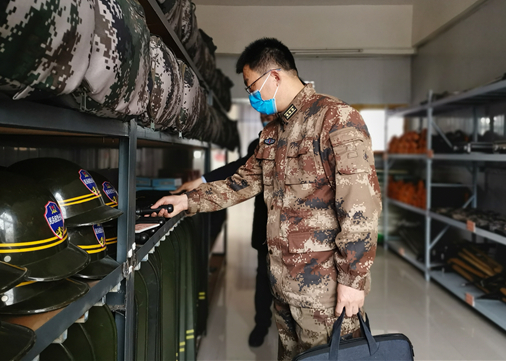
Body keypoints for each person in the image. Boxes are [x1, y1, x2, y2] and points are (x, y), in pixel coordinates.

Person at [151, 38, 382, 361]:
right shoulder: (273, 133)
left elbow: (361, 207)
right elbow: (241, 182)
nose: (251, 96)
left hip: (324, 295)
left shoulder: (335, 119)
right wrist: (189, 201)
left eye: (251, 87)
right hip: (283, 287)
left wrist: (353, 281)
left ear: (274, 76)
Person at [172, 113, 276, 348]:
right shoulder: (259, 143)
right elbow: (240, 170)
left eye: (269, 113)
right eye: (261, 114)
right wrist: (203, 181)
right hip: (266, 228)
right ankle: (261, 325)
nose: (265, 117)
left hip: (295, 234)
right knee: (263, 278)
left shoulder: (301, 138)